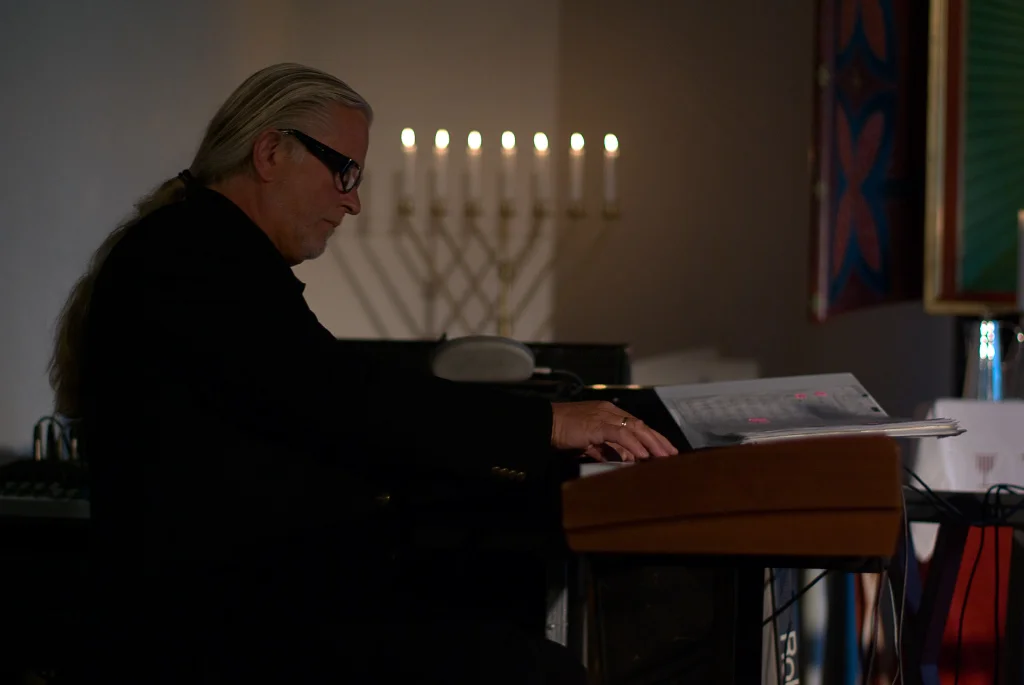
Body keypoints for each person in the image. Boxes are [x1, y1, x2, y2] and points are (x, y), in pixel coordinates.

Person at [49, 63, 677, 684]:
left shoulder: (201, 249)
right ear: (270, 152)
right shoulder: (196, 259)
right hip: (215, 635)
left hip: (241, 612)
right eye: (344, 171)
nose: (353, 201)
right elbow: (345, 400)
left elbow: (327, 409)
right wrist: (547, 424)